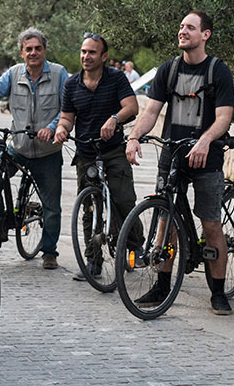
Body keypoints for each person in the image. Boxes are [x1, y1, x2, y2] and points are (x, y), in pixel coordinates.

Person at [125, 11, 234, 315]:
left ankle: (218, 291)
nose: (182, 31)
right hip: (172, 154)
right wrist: (134, 136)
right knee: (165, 217)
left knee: (211, 222)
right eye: (181, 27)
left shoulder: (218, 71)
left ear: (206, 35)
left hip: (207, 156)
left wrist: (204, 140)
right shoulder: (169, 70)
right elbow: (151, 112)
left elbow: (224, 117)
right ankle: (162, 283)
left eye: (190, 27)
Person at [0, 28, 68, 270]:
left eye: (38, 48)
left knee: (51, 205)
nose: (33, 52)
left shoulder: (59, 74)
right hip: (18, 146)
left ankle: (49, 251)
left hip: (47, 151)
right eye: (29, 49)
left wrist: (52, 127)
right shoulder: (14, 73)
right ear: (21, 52)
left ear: (45, 51)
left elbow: (68, 107)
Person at [54, 32, 143, 280]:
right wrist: (61, 129)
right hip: (86, 154)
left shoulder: (116, 79)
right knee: (90, 208)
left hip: (113, 151)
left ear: (103, 56)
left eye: (92, 52)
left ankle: (136, 245)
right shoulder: (71, 84)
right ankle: (93, 261)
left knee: (124, 200)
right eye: (83, 51)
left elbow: (132, 107)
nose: (86, 56)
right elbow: (67, 117)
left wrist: (115, 118)